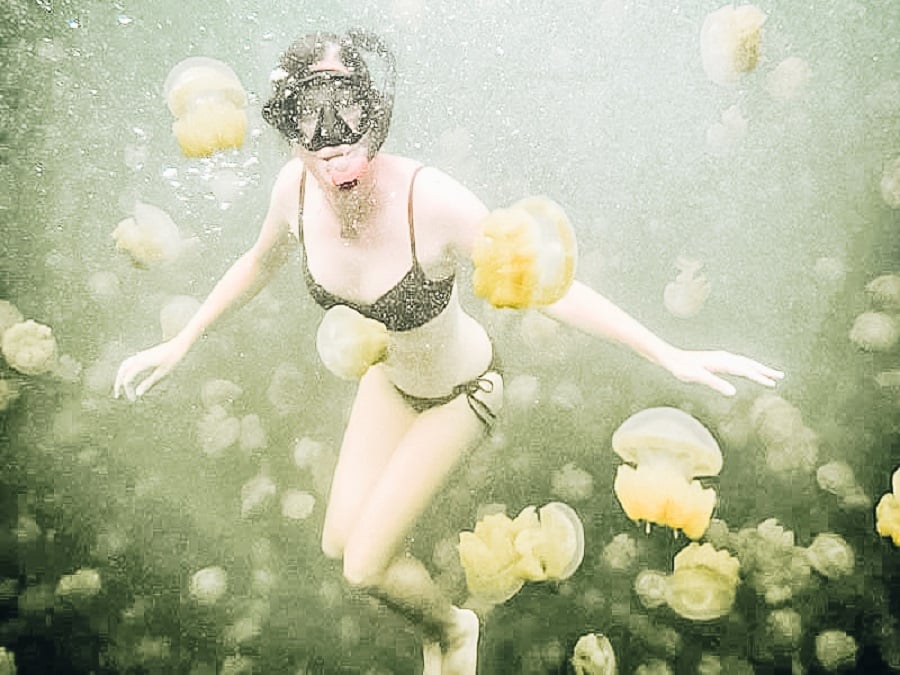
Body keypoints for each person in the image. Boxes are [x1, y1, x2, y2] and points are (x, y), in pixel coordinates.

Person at [114, 30, 783, 675]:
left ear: (374, 111)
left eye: (346, 106)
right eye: (310, 114)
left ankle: (454, 627)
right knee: (336, 542)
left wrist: (667, 352)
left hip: (464, 392)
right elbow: (257, 264)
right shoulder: (290, 192)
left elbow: (551, 289)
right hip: (388, 384)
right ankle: (441, 628)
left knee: (365, 565)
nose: (333, 138)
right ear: (288, 127)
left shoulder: (427, 200)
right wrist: (182, 339)